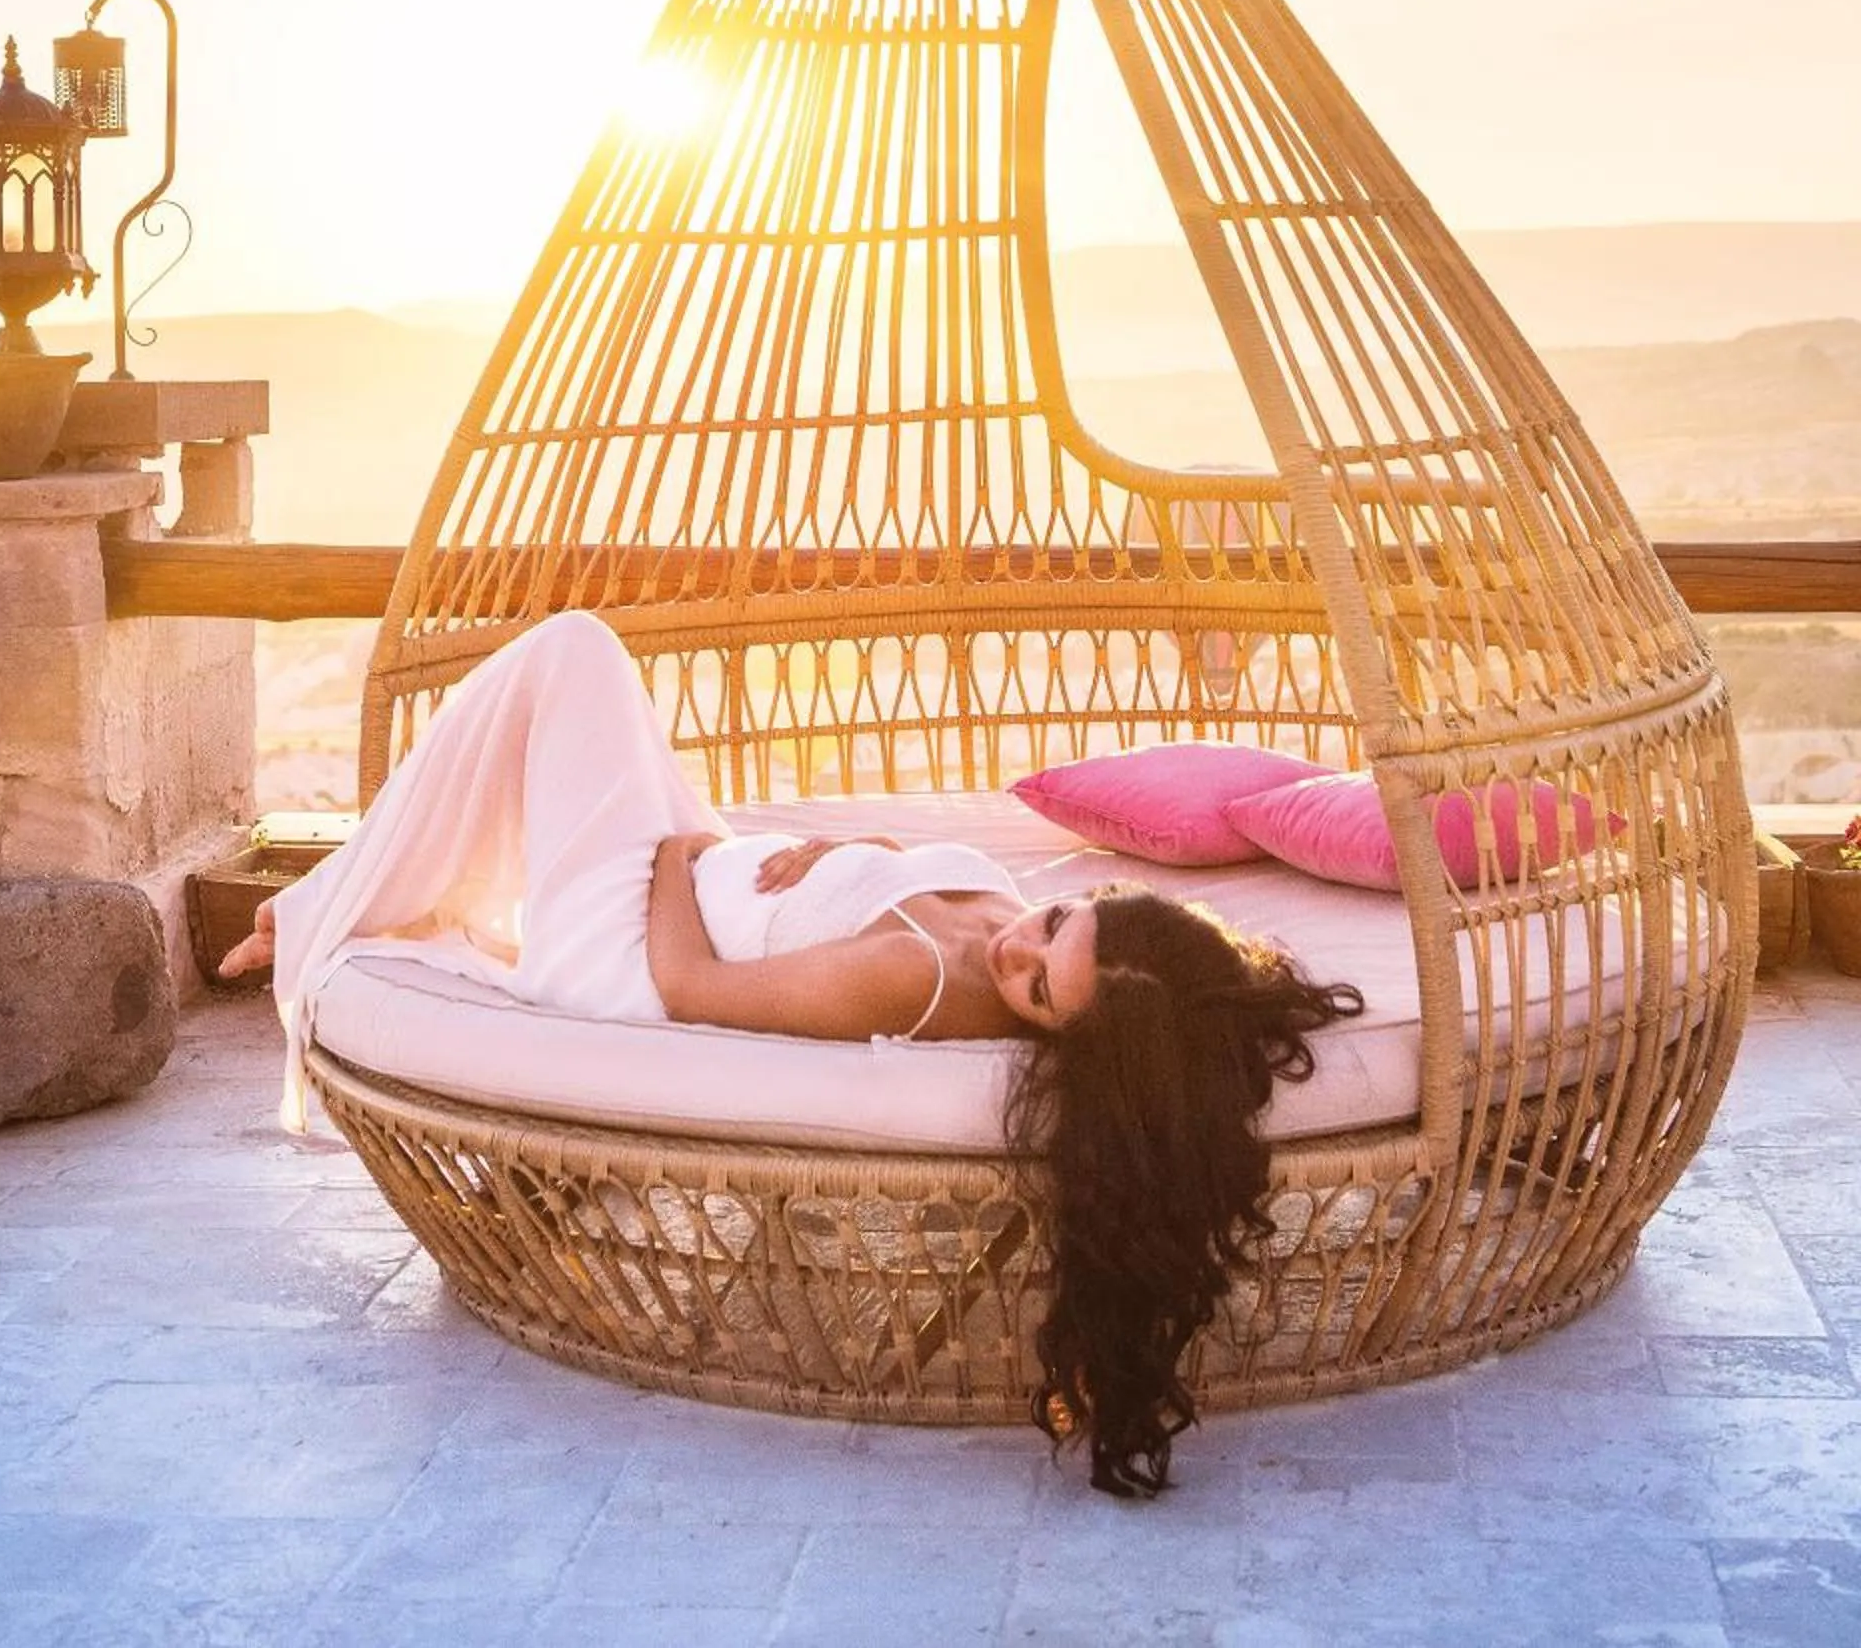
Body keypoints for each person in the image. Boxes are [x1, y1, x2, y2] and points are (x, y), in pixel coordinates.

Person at [223, 610, 1360, 1497]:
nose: (1021, 948)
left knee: (571, 655)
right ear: (1101, 908)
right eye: (1056, 929)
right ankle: (324, 899)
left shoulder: (913, 979)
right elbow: (906, 882)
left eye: (1034, 993)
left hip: (626, 950)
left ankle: (317, 905)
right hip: (712, 881)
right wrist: (835, 850)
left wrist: (676, 856)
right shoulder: (1008, 914)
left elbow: (691, 989)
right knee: (574, 680)